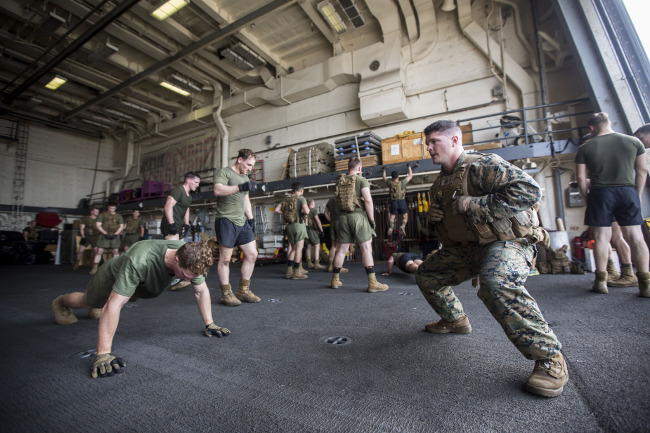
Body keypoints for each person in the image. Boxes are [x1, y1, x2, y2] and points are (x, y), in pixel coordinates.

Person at [415, 120, 567, 397]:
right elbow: (448, 226)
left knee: (495, 283)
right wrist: (433, 219)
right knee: (427, 274)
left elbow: (530, 190)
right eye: (427, 142)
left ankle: (550, 358)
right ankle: (454, 319)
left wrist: (476, 204)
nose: (428, 147)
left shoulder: (483, 166)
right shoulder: (438, 184)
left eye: (434, 141)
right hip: (469, 248)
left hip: (508, 242)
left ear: (454, 140)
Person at [50, 241, 229, 378]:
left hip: (140, 285)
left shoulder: (192, 257)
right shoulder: (139, 261)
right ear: (176, 259)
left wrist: (210, 324)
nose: (189, 281)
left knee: (109, 304)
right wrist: (103, 354)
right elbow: (114, 304)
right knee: (90, 301)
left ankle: (97, 311)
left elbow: (201, 291)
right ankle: (61, 303)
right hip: (112, 278)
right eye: (185, 276)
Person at [575, 112, 649, 297]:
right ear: (609, 122)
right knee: (635, 236)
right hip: (627, 191)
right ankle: (645, 283)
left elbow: (581, 178)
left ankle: (601, 282)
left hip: (600, 193)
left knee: (601, 237)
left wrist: (587, 199)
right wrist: (637, 194)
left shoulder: (586, 147)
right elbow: (642, 171)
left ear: (591, 128)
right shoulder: (634, 142)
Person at [330, 157, 388, 293]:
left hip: (342, 218)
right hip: (358, 217)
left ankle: (335, 279)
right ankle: (372, 282)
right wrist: (371, 220)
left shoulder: (340, 181)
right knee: (366, 249)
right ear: (360, 168)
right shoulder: (361, 180)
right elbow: (368, 200)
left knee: (342, 250)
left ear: (348, 167)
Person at [213, 149, 260, 306]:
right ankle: (226, 293)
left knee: (252, 254)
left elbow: (246, 199)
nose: (250, 169)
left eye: (252, 166)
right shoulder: (224, 172)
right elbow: (218, 190)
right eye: (248, 164)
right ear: (240, 159)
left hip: (242, 222)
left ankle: (243, 291)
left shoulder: (245, 177)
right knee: (225, 259)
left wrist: (251, 219)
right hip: (226, 220)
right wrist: (239, 187)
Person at [163, 172, 201, 290]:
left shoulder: (188, 196)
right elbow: (168, 206)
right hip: (171, 225)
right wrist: (171, 224)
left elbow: (186, 210)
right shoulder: (178, 190)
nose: (197, 185)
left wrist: (186, 224)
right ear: (188, 181)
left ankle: (177, 277)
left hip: (179, 225)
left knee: (181, 250)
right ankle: (167, 280)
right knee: (173, 252)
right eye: (196, 182)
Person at [275, 182, 311, 280]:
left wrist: (285, 212)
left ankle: (289, 271)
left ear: (292, 190)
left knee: (293, 248)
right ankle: (296, 272)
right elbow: (307, 211)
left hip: (289, 226)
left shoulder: (285, 199)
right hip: (299, 225)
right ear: (301, 190)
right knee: (299, 249)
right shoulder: (301, 198)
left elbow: (277, 210)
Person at [90, 203, 125, 276]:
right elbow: (98, 225)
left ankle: (116, 268)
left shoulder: (119, 216)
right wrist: (105, 233)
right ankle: (95, 267)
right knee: (99, 251)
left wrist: (116, 234)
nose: (111, 210)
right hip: (104, 234)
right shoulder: (102, 215)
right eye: (110, 208)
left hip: (115, 234)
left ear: (115, 208)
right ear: (108, 208)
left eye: (113, 208)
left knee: (115, 251)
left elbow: (121, 226)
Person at [382, 165, 413, 236]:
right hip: (402, 202)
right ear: (398, 177)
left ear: (392, 177)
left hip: (394, 202)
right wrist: (409, 167)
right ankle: (403, 226)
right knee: (405, 216)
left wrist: (384, 170)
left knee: (392, 217)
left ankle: (391, 226)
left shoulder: (390, 184)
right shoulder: (402, 183)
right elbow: (410, 176)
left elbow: (384, 178)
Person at [324, 197, 348, 273]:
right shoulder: (341, 198)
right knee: (340, 246)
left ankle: (330, 266)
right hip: (340, 222)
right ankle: (338, 266)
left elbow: (325, 212)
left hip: (332, 223)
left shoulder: (330, 200)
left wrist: (330, 220)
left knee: (333, 245)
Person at [73, 206, 100, 270]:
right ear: (92, 212)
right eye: (95, 211)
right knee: (80, 251)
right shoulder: (86, 219)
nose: (97, 212)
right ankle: (77, 263)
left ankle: (95, 266)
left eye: (98, 211)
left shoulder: (99, 219)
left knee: (97, 252)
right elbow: (82, 228)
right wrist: (83, 237)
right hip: (86, 236)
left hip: (95, 237)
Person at [305, 198, 326, 270]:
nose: (314, 204)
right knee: (317, 245)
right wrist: (322, 231)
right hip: (313, 231)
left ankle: (309, 263)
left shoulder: (304, 211)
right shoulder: (313, 211)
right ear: (311, 204)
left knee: (308, 246)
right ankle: (316, 263)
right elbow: (318, 221)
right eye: (313, 203)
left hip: (306, 230)